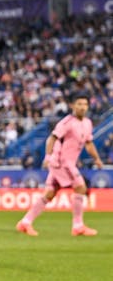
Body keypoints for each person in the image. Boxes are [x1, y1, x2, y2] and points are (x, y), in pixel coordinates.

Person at [16, 92, 103, 237]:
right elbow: (52, 138)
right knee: (81, 187)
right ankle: (78, 226)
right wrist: (48, 156)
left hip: (66, 163)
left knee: (50, 193)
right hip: (62, 162)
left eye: (85, 104)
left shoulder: (87, 123)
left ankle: (25, 222)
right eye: (79, 104)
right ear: (72, 106)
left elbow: (88, 143)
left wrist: (97, 159)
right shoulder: (67, 122)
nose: (82, 107)